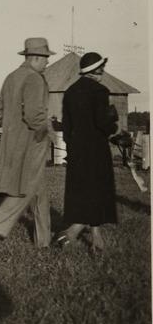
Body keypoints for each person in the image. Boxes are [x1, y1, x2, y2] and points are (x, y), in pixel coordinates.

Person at [0, 37, 55, 248]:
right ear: (36, 58)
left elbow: (0, 111)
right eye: (46, 59)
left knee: (39, 191)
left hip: (12, 141)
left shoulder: (11, 77)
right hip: (32, 141)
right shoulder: (34, 78)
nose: (47, 63)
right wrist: (45, 131)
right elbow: (34, 114)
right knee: (27, 187)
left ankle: (44, 241)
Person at [56, 52, 118, 252]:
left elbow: (66, 126)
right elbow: (103, 123)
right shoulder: (100, 91)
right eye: (102, 68)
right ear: (96, 70)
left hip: (76, 151)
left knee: (83, 193)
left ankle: (96, 238)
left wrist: (71, 146)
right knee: (98, 192)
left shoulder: (70, 92)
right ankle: (71, 234)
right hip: (97, 151)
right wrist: (113, 123)